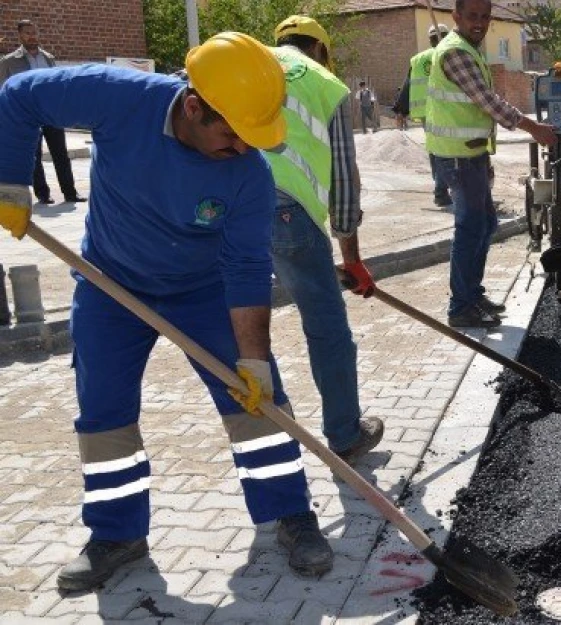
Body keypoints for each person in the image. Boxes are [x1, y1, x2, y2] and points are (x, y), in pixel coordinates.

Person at [0, 32, 335, 590]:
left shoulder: (249, 177)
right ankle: (117, 533)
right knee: (103, 413)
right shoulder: (118, 97)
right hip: (111, 284)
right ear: (194, 105)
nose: (243, 147)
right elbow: (19, 94)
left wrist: (254, 363)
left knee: (257, 404)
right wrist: (10, 178)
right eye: (232, 132)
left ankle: (290, 514)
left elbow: (247, 271)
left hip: (201, 290)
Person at [268, 15, 386, 466]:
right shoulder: (324, 82)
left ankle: (271, 445)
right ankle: (344, 434)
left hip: (231, 210)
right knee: (327, 328)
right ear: (319, 50)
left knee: (242, 331)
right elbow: (341, 176)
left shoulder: (249, 66)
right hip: (289, 213)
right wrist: (351, 259)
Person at [426, 0, 558, 327]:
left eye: (485, 17)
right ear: (456, 16)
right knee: (471, 228)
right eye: (472, 16)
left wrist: (485, 157)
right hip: (458, 157)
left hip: (471, 155)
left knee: (485, 225)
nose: (480, 23)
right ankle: (460, 307)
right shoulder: (455, 52)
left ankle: (472, 294)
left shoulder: (470, 49)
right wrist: (534, 129)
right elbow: (487, 102)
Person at [0, 19, 86, 205]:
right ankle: (43, 194)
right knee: (35, 156)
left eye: (34, 32)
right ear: (20, 35)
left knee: (61, 154)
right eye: (27, 33)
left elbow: (56, 85)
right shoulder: (9, 62)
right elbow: (4, 89)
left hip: (51, 114)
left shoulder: (48, 58)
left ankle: (70, 193)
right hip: (28, 117)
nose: (32, 36)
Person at [394, 24, 453, 209]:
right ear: (446, 36)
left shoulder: (418, 60)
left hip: (428, 114)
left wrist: (400, 111)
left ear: (430, 40)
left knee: (436, 151)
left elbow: (408, 85)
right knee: (447, 151)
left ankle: (441, 188)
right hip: (447, 111)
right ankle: (441, 191)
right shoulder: (449, 55)